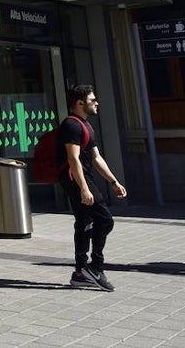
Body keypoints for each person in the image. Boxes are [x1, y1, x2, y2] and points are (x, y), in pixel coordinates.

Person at [58, 84, 126, 291]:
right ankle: (95, 267)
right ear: (80, 103)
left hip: (83, 178)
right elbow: (73, 158)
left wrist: (114, 182)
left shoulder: (85, 125)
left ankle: (80, 272)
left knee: (84, 222)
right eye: (92, 100)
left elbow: (96, 158)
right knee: (105, 220)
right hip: (75, 179)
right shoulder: (71, 126)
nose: (97, 103)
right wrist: (84, 189)